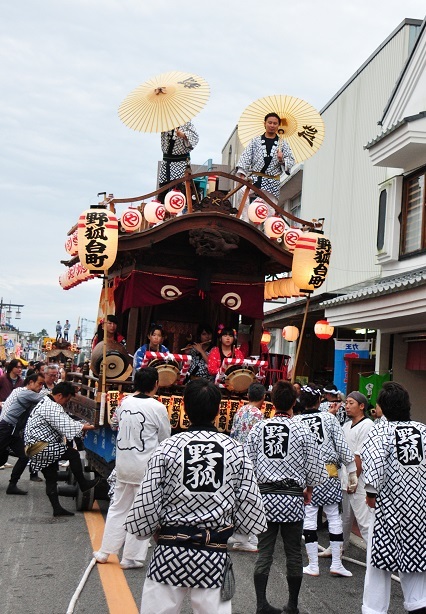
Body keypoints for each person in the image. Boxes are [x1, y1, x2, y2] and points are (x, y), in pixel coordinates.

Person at [125, 378, 268, 614]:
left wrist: (146, 531)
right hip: (214, 551)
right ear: (217, 410)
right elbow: (249, 504)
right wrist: (242, 530)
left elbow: (148, 498)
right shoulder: (235, 450)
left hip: (170, 550)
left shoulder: (168, 448)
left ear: (184, 408)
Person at [246, 380, 328, 614]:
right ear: (294, 402)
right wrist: (309, 489)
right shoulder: (303, 430)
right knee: (293, 551)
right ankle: (292, 605)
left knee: (265, 551)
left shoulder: (258, 429)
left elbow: (248, 464)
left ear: (271, 402)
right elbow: (313, 466)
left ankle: (261, 604)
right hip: (292, 498)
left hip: (265, 498)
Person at [93, 367, 171, 569]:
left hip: (124, 465)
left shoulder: (124, 402)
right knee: (142, 511)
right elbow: (165, 438)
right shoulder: (158, 408)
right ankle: (131, 558)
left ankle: (105, 550)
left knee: (118, 508)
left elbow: (114, 424)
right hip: (145, 467)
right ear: (156, 384)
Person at [361, 382, 426, 614]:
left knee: (378, 566)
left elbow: (374, 464)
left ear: (383, 408)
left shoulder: (380, 430)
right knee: (416, 564)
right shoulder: (423, 430)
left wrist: (370, 492)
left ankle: (374, 609)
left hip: (388, 508)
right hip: (419, 509)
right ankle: (418, 604)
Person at [295, 384, 357, 578]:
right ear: (319, 400)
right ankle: (336, 563)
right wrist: (352, 471)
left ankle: (313, 565)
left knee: (310, 516)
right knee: (333, 515)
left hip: (307, 475)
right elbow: (343, 448)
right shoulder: (329, 419)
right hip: (329, 471)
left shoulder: (295, 422)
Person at [24, 381, 99, 517]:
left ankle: (57, 509)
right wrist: (91, 427)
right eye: (67, 399)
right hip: (41, 446)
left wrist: (83, 425)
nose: (66, 402)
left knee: (51, 477)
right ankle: (83, 483)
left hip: (36, 446)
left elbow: (65, 420)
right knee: (73, 454)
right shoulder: (50, 406)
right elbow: (66, 425)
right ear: (59, 395)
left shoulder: (47, 401)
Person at [229, 382, 267, 553]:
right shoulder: (259, 415)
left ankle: (240, 537)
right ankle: (248, 538)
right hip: (251, 460)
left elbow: (233, 433)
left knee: (238, 497)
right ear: (263, 397)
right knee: (251, 498)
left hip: (236, 456)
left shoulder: (240, 411)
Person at [236, 112, 295, 219]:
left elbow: (291, 161)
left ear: (278, 126)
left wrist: (282, 160)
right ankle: (244, 220)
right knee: (242, 191)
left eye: (275, 123)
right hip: (255, 178)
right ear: (265, 124)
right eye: (270, 123)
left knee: (270, 209)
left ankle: (268, 231)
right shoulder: (255, 141)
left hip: (272, 181)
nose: (272, 125)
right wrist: (242, 174)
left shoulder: (283, 144)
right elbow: (246, 157)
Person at [0, 372, 45, 494]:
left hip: (13, 431)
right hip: (6, 429)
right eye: (39, 384)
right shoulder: (26, 393)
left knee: (24, 455)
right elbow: (46, 399)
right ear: (30, 383)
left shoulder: (29, 393)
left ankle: (12, 485)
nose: (41, 387)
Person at [158, 122, 199, 200]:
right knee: (162, 191)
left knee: (178, 191)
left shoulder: (185, 122)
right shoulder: (164, 122)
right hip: (166, 162)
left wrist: (183, 135)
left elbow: (195, 138)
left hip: (181, 162)